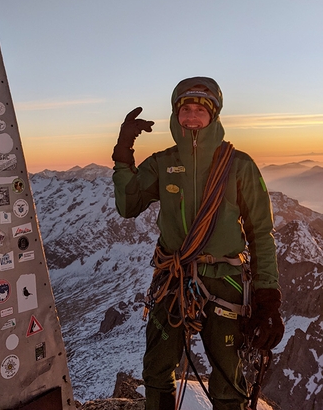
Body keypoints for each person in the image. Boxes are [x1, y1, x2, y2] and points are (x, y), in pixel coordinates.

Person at [112, 76, 284, 410]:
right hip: (173, 280)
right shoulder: (163, 163)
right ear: (176, 116)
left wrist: (268, 297)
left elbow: (261, 233)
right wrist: (123, 154)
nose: (191, 117)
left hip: (225, 280)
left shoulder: (240, 166)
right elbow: (128, 205)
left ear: (214, 116)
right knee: (157, 368)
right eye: (185, 110)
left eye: (199, 111)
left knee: (227, 373)